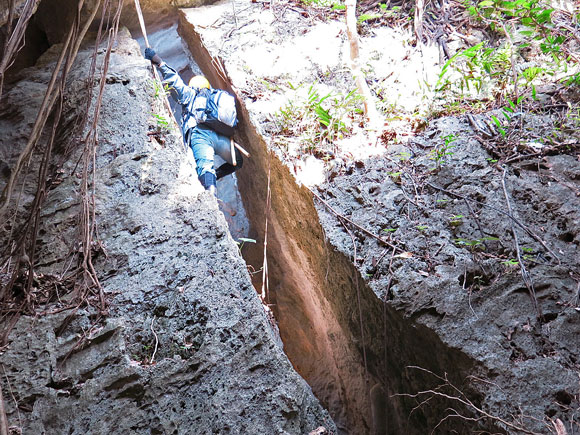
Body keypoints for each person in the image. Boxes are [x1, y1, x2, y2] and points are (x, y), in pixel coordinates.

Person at [144, 47, 242, 195]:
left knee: (205, 169)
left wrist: (158, 61)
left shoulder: (191, 94)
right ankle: (216, 175)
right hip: (220, 136)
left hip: (199, 135)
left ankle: (211, 200)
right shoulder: (216, 96)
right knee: (237, 161)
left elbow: (175, 82)